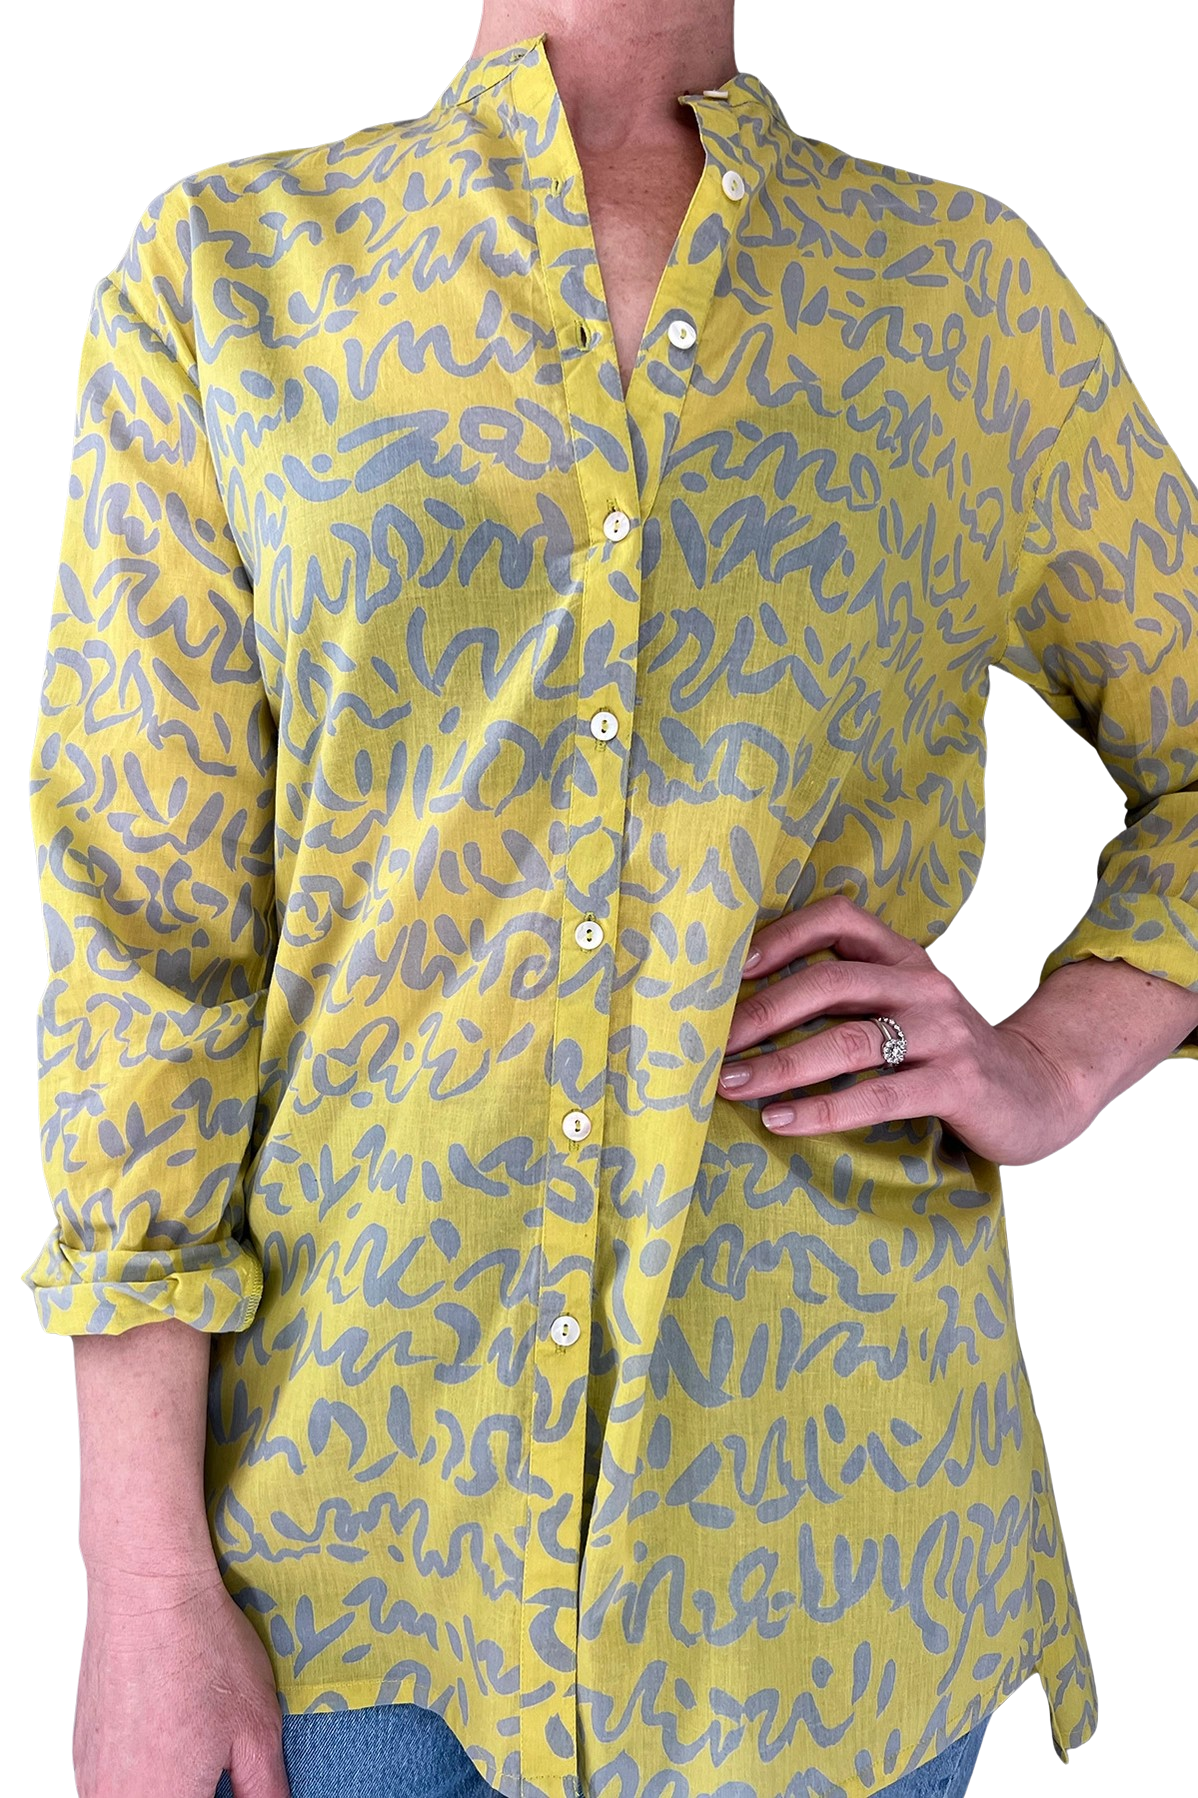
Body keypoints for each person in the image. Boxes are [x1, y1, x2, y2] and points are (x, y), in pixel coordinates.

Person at [26, 1, 1196, 1795]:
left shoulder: (958, 292)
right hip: (354, 1562)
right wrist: (144, 1572)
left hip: (832, 1573)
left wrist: (1062, 1052)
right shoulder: (229, 273)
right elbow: (145, 938)